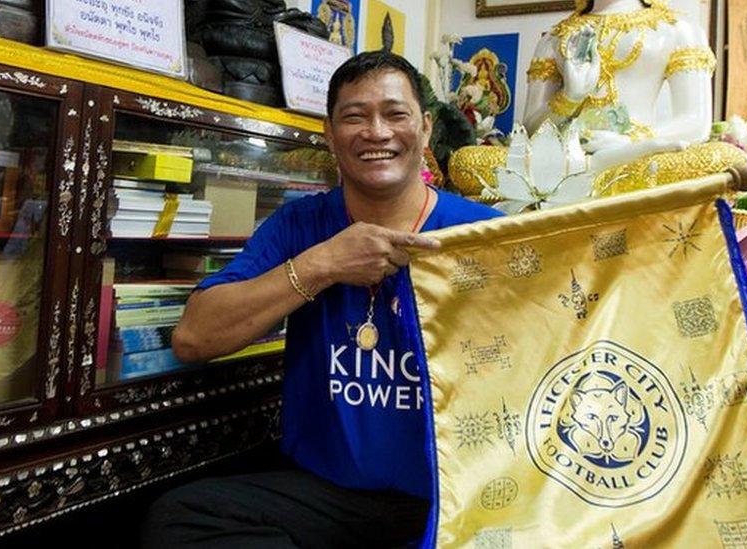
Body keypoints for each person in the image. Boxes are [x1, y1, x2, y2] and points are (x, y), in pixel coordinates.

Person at [140, 51, 502, 548]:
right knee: (180, 518)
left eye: (395, 114)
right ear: (329, 134)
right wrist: (321, 264)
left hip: (452, 492)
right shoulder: (299, 225)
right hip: (326, 493)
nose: (376, 132)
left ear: (425, 127)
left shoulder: (483, 232)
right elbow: (194, 337)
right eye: (355, 116)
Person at [449, 0, 746, 199]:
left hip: (638, 160)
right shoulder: (554, 37)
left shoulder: (677, 29)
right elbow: (529, 132)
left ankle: (599, 174)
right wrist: (570, 96)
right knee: (467, 160)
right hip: (566, 164)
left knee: (725, 159)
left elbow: (695, 123)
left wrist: (633, 144)